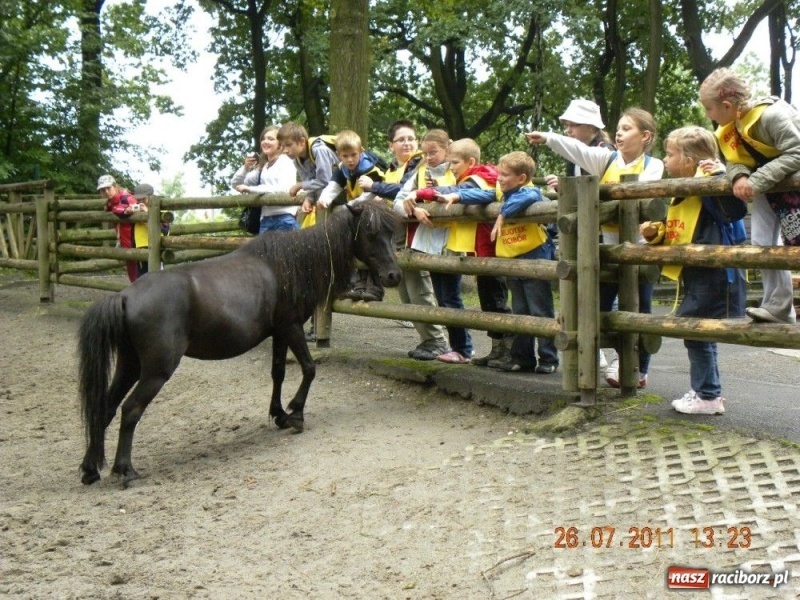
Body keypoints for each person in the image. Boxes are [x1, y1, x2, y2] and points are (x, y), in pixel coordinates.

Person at [526, 107, 665, 387]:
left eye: (627, 129)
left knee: (642, 308)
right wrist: (549, 138)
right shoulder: (607, 159)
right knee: (599, 304)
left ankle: (637, 368)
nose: (620, 134)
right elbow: (577, 150)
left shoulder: (654, 165)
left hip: (641, 249)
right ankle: (608, 357)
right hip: (610, 249)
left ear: (646, 136)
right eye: (619, 129)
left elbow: (640, 196)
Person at [641, 126, 747, 414]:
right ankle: (706, 390)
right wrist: (655, 234)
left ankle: (708, 395)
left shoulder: (709, 183)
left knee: (695, 330)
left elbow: (734, 210)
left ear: (689, 160)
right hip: (698, 271)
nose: (664, 159)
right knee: (700, 332)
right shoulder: (685, 188)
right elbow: (682, 229)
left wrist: (717, 174)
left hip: (713, 272)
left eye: (670, 154)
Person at [440, 151, 559, 373]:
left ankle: (548, 358)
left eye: (505, 175)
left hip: (535, 254)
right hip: (513, 257)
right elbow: (482, 194)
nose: (499, 178)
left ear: (521, 178)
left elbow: (529, 197)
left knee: (539, 309)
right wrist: (457, 196)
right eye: (500, 174)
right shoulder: (500, 191)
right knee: (520, 309)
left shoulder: (529, 190)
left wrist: (502, 215)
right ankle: (523, 358)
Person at [699, 67, 799, 324]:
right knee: (763, 244)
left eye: (708, 108)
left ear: (726, 105)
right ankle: (778, 307)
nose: (706, 114)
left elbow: (797, 152)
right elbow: (734, 160)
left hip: (787, 188)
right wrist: (740, 176)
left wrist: (756, 180)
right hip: (769, 189)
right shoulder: (734, 125)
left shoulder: (772, 116)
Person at [417, 138, 514, 367]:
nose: (451, 168)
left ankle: (510, 351)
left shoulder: (480, 179)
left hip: (491, 251)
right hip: (481, 253)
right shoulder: (471, 178)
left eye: (455, 163)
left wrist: (424, 193)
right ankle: (497, 350)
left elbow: (459, 192)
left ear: (471, 161)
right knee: (489, 300)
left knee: (497, 301)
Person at [361, 120, 449, 359]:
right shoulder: (392, 168)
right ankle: (427, 340)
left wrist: (376, 188)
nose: (407, 143)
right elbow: (398, 194)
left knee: (419, 287)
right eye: (402, 139)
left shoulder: (420, 164)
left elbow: (399, 190)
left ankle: (437, 340)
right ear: (391, 145)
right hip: (395, 236)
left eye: (411, 138)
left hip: (417, 235)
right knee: (406, 290)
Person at [542, 98, 615, 372]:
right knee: (584, 291)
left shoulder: (603, 151)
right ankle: (591, 350)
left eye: (574, 125)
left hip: (599, 231)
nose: (569, 131)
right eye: (567, 126)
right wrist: (563, 186)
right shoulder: (578, 154)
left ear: (590, 126)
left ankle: (597, 350)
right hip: (584, 230)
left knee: (598, 292)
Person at [395, 129, 474, 364]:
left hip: (451, 242)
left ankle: (462, 347)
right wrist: (414, 209)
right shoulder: (419, 173)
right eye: (426, 153)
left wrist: (429, 204)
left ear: (447, 150)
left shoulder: (458, 172)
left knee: (450, 298)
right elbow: (399, 200)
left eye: (434, 153)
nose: (429, 158)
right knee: (431, 294)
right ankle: (441, 343)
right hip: (423, 241)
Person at [318, 130, 387, 301]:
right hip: (357, 215)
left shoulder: (371, 169)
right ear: (338, 155)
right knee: (354, 248)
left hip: (374, 215)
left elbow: (369, 195)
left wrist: (346, 208)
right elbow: (333, 186)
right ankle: (358, 285)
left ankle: (375, 287)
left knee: (372, 249)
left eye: (353, 155)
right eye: (345, 156)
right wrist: (324, 199)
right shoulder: (343, 169)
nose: (350, 160)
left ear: (361, 152)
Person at [231, 124, 299, 233]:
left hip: (284, 219)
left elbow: (285, 189)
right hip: (265, 220)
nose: (265, 141)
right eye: (263, 139)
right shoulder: (264, 167)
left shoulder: (286, 162)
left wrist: (251, 189)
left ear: (280, 144)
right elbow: (236, 184)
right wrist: (245, 168)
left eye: (271, 139)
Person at [277, 121, 338, 229]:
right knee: (302, 212)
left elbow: (325, 181)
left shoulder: (319, 150)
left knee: (321, 195)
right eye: (282, 146)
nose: (285, 150)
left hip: (340, 188)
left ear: (301, 141)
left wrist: (300, 185)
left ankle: (323, 234)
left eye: (288, 145)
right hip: (322, 191)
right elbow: (311, 182)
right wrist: (309, 199)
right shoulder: (297, 160)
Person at [98, 174, 141, 283]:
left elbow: (137, 208)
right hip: (125, 241)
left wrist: (122, 210)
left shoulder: (127, 198)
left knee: (139, 274)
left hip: (135, 241)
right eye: (103, 190)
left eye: (108, 188)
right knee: (132, 275)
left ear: (115, 186)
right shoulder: (110, 202)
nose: (106, 192)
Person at [130, 183, 170, 277]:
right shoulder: (136, 212)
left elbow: (164, 231)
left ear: (151, 197)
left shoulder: (162, 211)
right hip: (140, 249)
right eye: (138, 200)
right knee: (142, 277)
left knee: (156, 276)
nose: (140, 202)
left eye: (143, 199)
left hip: (156, 249)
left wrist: (148, 214)